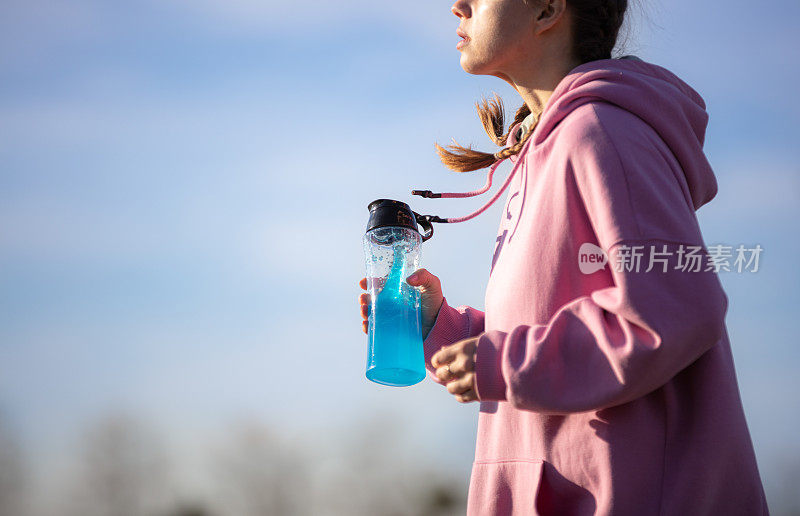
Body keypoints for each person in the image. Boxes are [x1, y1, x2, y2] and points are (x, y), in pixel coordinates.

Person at [359, 0, 770, 513]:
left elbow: (671, 311)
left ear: (548, 9)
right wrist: (449, 332)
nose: (457, 5)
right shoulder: (546, 152)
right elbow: (556, 332)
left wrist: (504, 364)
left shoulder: (602, 133)